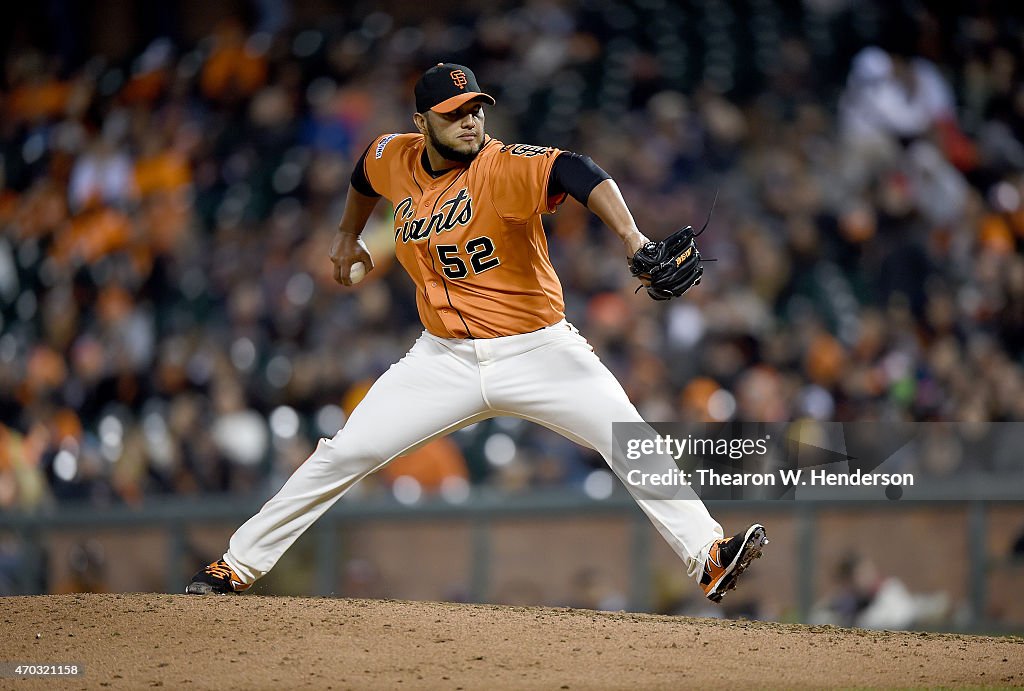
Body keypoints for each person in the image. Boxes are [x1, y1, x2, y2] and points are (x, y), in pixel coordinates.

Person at [186, 63, 767, 603]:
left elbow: (577, 169)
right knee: (345, 452)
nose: (470, 121)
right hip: (443, 359)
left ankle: (706, 554)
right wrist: (345, 233)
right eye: (454, 113)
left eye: (476, 109)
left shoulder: (501, 166)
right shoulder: (397, 156)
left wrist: (633, 240)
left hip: (538, 348)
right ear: (421, 124)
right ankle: (236, 565)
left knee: (630, 440)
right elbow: (365, 167)